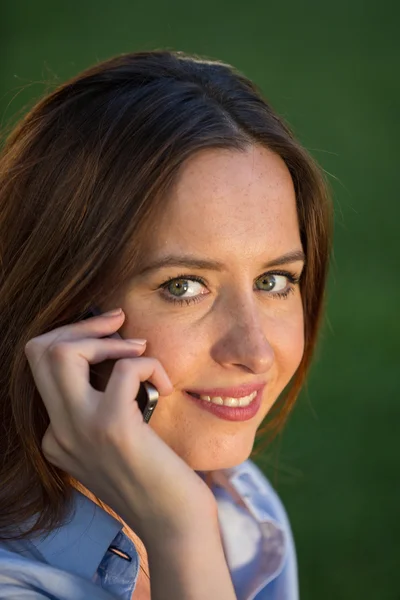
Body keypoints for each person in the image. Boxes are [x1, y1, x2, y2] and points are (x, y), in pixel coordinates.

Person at [0, 50, 332, 599]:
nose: (255, 352)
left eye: (274, 281)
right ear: (63, 307)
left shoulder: (242, 508)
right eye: (184, 286)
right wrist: (182, 538)